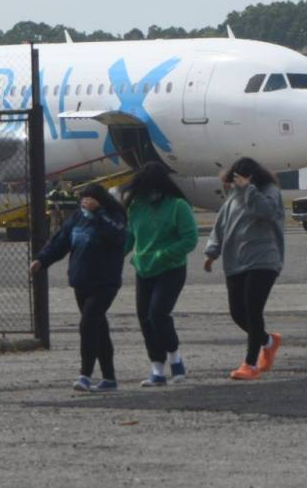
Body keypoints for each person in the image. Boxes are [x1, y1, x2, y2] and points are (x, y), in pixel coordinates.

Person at [33, 183, 128, 391]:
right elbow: (60, 241)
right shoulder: (78, 217)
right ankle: (109, 378)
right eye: (84, 199)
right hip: (81, 281)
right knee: (98, 328)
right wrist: (42, 260)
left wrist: (98, 213)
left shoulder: (113, 217)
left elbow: (117, 236)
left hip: (105, 282)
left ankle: (85, 375)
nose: (86, 203)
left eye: (90, 198)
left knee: (88, 324)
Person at [204, 157, 287, 380]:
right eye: (235, 178)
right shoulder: (233, 196)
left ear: (253, 176)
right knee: (237, 312)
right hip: (236, 260)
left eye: (242, 178)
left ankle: (250, 364)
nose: (237, 182)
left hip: (263, 259)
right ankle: (268, 341)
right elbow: (221, 225)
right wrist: (212, 252)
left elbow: (268, 212)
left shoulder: (268, 191)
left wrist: (249, 190)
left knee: (253, 310)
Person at [122, 161, 199, 386]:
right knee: (144, 319)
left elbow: (190, 239)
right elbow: (130, 237)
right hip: (143, 269)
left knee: (158, 313)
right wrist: (114, 256)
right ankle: (157, 368)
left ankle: (175, 358)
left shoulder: (178, 206)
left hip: (171, 268)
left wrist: (164, 254)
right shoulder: (136, 206)